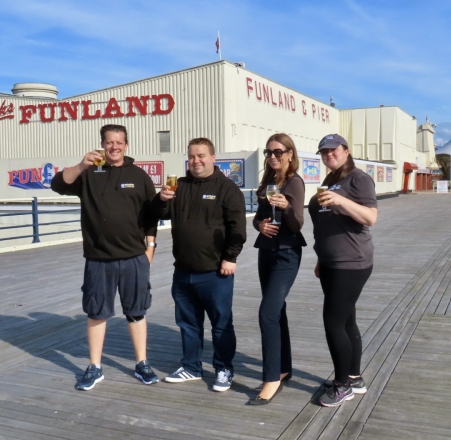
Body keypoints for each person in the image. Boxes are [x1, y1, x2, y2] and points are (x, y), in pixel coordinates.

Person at [50, 124, 159, 391]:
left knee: (136, 312)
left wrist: (150, 247)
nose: (114, 147)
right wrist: (80, 165)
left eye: (119, 142)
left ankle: (142, 363)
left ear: (127, 144)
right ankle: (95, 366)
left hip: (134, 257)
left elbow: (151, 214)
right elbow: (56, 186)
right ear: (102, 144)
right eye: (109, 142)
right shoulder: (88, 174)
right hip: (98, 258)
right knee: (97, 313)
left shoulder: (139, 175)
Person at [154, 137, 247, 392]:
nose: (196, 161)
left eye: (201, 156)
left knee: (221, 324)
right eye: (192, 156)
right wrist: (161, 199)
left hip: (216, 272)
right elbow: (158, 215)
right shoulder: (179, 186)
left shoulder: (227, 188)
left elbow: (237, 227)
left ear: (213, 158)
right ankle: (191, 367)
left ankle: (224, 368)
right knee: (187, 323)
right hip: (183, 271)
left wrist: (231, 256)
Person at [308, 134, 378, 407]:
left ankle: (342, 386)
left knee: (333, 323)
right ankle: (354, 377)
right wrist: (320, 259)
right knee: (347, 320)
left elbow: (370, 217)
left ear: (346, 151)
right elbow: (328, 226)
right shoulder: (330, 180)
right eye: (324, 152)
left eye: (333, 150)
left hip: (351, 262)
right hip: (330, 262)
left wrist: (341, 201)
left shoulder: (358, 179)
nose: (329, 155)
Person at [248, 133, 306, 405]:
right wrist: (259, 225)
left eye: (278, 152)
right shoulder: (269, 182)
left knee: (267, 313)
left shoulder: (294, 182)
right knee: (277, 311)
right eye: (269, 153)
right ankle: (284, 368)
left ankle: (271, 377)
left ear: (290, 154)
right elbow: (258, 218)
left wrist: (288, 206)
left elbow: (296, 225)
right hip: (266, 252)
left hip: (286, 255)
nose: (273, 156)